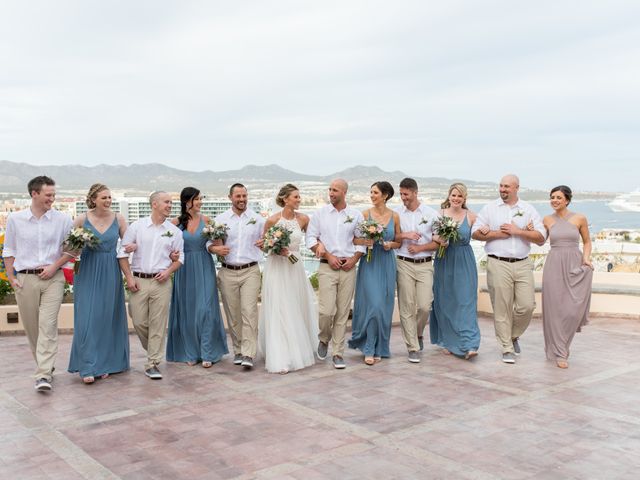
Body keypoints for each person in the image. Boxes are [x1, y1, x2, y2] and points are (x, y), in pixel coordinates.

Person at [3, 176, 73, 392]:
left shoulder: (63, 219)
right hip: (25, 279)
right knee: (32, 328)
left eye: (53, 195)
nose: (52, 199)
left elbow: (72, 249)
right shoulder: (15, 219)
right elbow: (9, 250)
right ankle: (45, 366)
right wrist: (11, 277)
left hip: (53, 278)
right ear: (34, 194)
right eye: (48, 195)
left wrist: (54, 266)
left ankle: (43, 374)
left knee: (48, 324)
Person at [471, 174, 545, 364]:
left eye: (507, 187)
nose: (503, 189)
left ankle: (512, 335)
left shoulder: (528, 209)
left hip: (522, 263)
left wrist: (518, 231)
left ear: (516, 188)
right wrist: (497, 234)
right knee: (502, 308)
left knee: (527, 306)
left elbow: (541, 237)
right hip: (498, 263)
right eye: (501, 186)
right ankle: (506, 347)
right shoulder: (490, 208)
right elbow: (475, 233)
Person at [118, 191, 184, 380]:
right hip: (138, 280)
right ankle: (154, 349)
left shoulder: (175, 232)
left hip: (161, 282)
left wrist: (169, 270)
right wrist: (129, 278)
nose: (170, 205)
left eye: (171, 202)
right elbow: (121, 253)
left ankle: (153, 362)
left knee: (158, 323)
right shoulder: (137, 227)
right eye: (166, 202)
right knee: (139, 321)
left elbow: (180, 258)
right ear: (154, 204)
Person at [68, 184, 130, 383]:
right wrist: (75, 246)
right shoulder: (81, 219)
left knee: (106, 317)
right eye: (104, 197)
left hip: (110, 271)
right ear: (93, 199)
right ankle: (87, 366)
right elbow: (68, 247)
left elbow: (128, 245)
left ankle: (106, 363)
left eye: (110, 197)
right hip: (86, 271)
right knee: (87, 319)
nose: (108, 201)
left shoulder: (119, 219)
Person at [259, 184, 318, 374]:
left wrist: (320, 248)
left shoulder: (304, 219)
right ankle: (282, 355)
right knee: (280, 307)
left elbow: (313, 239)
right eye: (296, 197)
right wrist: (276, 248)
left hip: (295, 266)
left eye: (299, 197)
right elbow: (263, 245)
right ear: (285, 199)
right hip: (277, 267)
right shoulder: (272, 220)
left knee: (296, 305)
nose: (299, 200)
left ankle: (299, 349)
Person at [166, 187, 228, 368]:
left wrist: (218, 245)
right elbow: (167, 249)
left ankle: (208, 352)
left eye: (201, 198)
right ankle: (190, 352)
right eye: (197, 199)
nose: (200, 202)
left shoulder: (208, 221)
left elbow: (217, 246)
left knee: (206, 310)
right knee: (188, 311)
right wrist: (172, 257)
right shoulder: (175, 223)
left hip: (203, 266)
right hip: (183, 269)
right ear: (187, 202)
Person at [306, 179, 364, 369]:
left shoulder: (355, 215)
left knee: (342, 313)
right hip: (326, 266)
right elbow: (310, 238)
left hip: (348, 268)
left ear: (344, 192)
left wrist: (354, 259)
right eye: (329, 189)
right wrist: (329, 256)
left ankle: (338, 353)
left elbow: (360, 241)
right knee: (326, 311)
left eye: (335, 190)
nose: (331, 193)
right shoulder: (320, 214)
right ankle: (324, 338)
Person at [541, 185, 593, 369]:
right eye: (552, 197)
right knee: (554, 309)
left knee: (571, 310)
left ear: (567, 200)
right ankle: (560, 352)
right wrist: (528, 229)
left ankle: (563, 346)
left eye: (558, 198)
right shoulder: (547, 219)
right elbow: (540, 241)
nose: (554, 200)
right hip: (554, 264)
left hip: (574, 263)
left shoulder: (579, 218)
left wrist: (586, 259)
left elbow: (587, 241)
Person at [349, 181, 401, 365]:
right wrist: (365, 242)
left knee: (383, 308)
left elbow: (399, 242)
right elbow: (354, 238)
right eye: (371, 192)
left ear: (385, 195)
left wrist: (390, 244)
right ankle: (369, 347)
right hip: (369, 263)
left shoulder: (395, 216)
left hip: (387, 263)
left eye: (375, 192)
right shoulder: (364, 215)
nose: (372, 195)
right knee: (374, 305)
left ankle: (379, 347)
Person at [214, 183, 264, 369]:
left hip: (250, 270)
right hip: (227, 271)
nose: (242, 199)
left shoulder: (258, 219)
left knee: (249, 312)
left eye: (244, 196)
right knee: (233, 314)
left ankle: (249, 353)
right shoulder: (220, 220)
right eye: (238, 196)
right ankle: (238, 350)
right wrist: (215, 248)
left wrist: (265, 244)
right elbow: (210, 244)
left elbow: (266, 243)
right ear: (230, 198)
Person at [429, 183, 481, 359]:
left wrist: (487, 229)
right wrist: (439, 238)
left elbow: (483, 230)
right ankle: (447, 340)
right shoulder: (440, 214)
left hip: (464, 260)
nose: (456, 199)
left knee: (466, 301)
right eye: (453, 195)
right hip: (444, 259)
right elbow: (432, 234)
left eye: (460, 196)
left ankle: (470, 344)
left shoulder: (472, 216)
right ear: (448, 196)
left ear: (464, 198)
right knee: (446, 300)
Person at [394, 178, 439, 363]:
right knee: (406, 306)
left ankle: (418, 333)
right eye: (401, 194)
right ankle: (412, 346)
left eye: (406, 194)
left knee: (424, 305)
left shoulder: (431, 214)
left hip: (425, 264)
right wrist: (404, 235)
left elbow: (438, 242)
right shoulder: (396, 214)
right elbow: (390, 235)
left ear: (415, 192)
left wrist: (420, 248)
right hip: (403, 263)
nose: (403, 198)